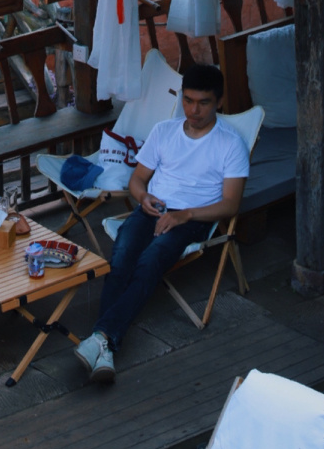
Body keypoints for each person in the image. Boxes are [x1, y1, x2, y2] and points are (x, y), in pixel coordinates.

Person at [74, 62, 249, 383]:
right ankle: (105, 343)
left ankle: (100, 339)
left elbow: (230, 203)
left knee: (150, 261)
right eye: (188, 100)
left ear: (220, 102)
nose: (193, 110)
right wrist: (143, 198)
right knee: (122, 258)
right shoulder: (164, 131)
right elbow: (138, 180)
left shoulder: (230, 144)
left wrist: (186, 214)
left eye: (203, 102)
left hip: (191, 217)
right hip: (151, 210)